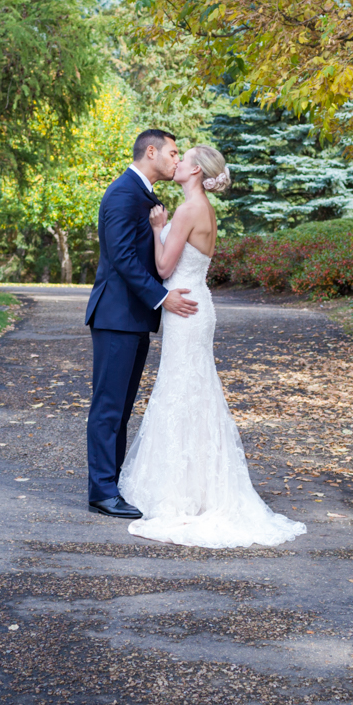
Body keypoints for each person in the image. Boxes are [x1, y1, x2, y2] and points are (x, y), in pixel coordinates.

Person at [118, 143, 307, 548]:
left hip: (184, 308)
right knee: (192, 391)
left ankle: (184, 492)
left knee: (184, 391)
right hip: (194, 304)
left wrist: (155, 230)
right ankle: (196, 487)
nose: (177, 162)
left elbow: (165, 267)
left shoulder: (188, 210)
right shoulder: (201, 207)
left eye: (183, 160)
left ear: (197, 172)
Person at [84, 129, 198, 518]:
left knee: (122, 408)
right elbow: (120, 256)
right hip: (116, 316)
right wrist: (163, 297)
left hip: (134, 318)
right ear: (151, 151)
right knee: (108, 408)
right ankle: (101, 491)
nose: (175, 159)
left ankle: (111, 484)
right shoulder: (122, 193)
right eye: (172, 152)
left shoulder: (144, 194)